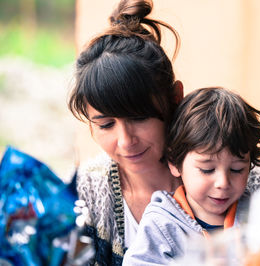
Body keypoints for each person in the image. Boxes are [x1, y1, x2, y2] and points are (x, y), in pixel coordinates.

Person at [67, 0, 183, 264]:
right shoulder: (83, 201)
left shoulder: (223, 179)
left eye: (139, 117)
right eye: (106, 125)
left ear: (175, 98)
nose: (126, 141)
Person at [123, 87, 260, 265]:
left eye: (237, 169)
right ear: (174, 162)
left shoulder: (259, 217)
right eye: (207, 170)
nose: (223, 183)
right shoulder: (160, 224)